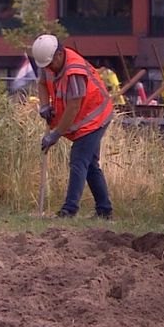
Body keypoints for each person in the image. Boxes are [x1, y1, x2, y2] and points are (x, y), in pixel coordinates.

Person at [33, 34, 114, 219]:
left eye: (50, 64)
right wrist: (44, 105)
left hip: (95, 118)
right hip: (82, 119)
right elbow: (42, 84)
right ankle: (104, 210)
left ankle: (69, 210)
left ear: (59, 54)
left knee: (79, 159)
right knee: (90, 165)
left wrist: (55, 134)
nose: (48, 69)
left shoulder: (74, 71)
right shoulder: (49, 64)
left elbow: (73, 106)